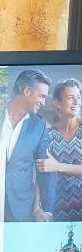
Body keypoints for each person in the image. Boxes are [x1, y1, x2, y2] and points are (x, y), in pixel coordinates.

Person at [3, 68, 51, 222]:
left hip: (21, 207)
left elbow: (43, 171)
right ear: (26, 91)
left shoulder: (39, 127)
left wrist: (37, 207)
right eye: (42, 96)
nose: (43, 103)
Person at [36, 77, 82, 222]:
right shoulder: (47, 135)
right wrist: (37, 208)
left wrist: (58, 166)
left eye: (78, 97)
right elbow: (40, 174)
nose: (76, 102)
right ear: (57, 103)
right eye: (70, 98)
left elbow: (55, 167)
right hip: (56, 213)